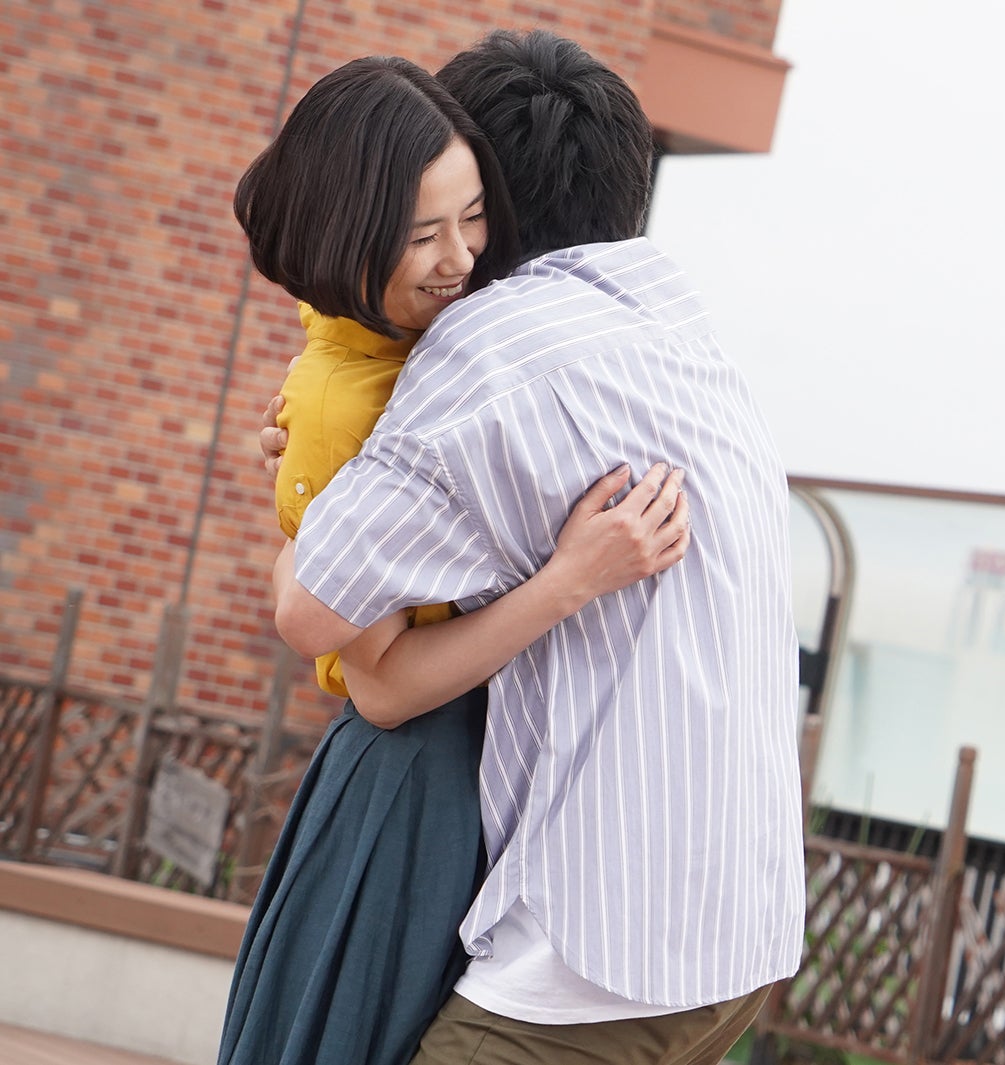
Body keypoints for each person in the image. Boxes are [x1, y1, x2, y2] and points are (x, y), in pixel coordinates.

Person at [272, 29, 805, 1065]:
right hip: (737, 941)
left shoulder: (490, 348)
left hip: (592, 958)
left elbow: (314, 614)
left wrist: (297, 479)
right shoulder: (692, 346)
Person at [221, 55, 690, 1065]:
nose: (459, 257)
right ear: (353, 232)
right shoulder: (364, 395)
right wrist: (571, 579)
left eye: (471, 217)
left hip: (465, 772)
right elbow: (381, 686)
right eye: (420, 232)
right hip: (419, 778)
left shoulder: (412, 355)